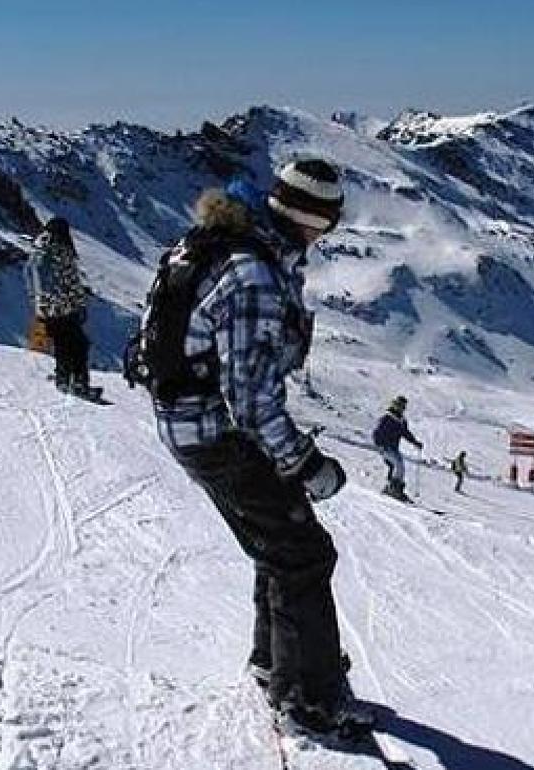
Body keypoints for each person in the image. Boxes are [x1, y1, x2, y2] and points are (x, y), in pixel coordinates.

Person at [133, 159, 367, 737]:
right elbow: (252, 399)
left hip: (188, 422)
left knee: (279, 542)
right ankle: (308, 698)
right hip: (217, 432)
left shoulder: (211, 244)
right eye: (325, 225)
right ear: (311, 220)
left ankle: (277, 664)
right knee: (303, 552)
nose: (323, 238)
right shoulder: (252, 274)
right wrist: (307, 465)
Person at [26, 217, 95, 397]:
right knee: (79, 344)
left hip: (44, 309)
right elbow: (70, 281)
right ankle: (78, 382)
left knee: (62, 344)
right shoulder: (60, 248)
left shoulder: (38, 248)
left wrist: (38, 303)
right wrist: (80, 305)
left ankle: (64, 379)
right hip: (63, 308)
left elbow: (29, 276)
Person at [373, 396, 423, 502]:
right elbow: (376, 432)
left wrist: (415, 442)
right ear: (394, 405)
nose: (402, 408)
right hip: (385, 447)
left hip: (393, 448)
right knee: (398, 465)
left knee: (395, 466)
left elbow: (405, 433)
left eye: (403, 406)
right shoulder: (387, 418)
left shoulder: (401, 421)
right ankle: (394, 490)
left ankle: (391, 488)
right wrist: (380, 445)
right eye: (400, 405)